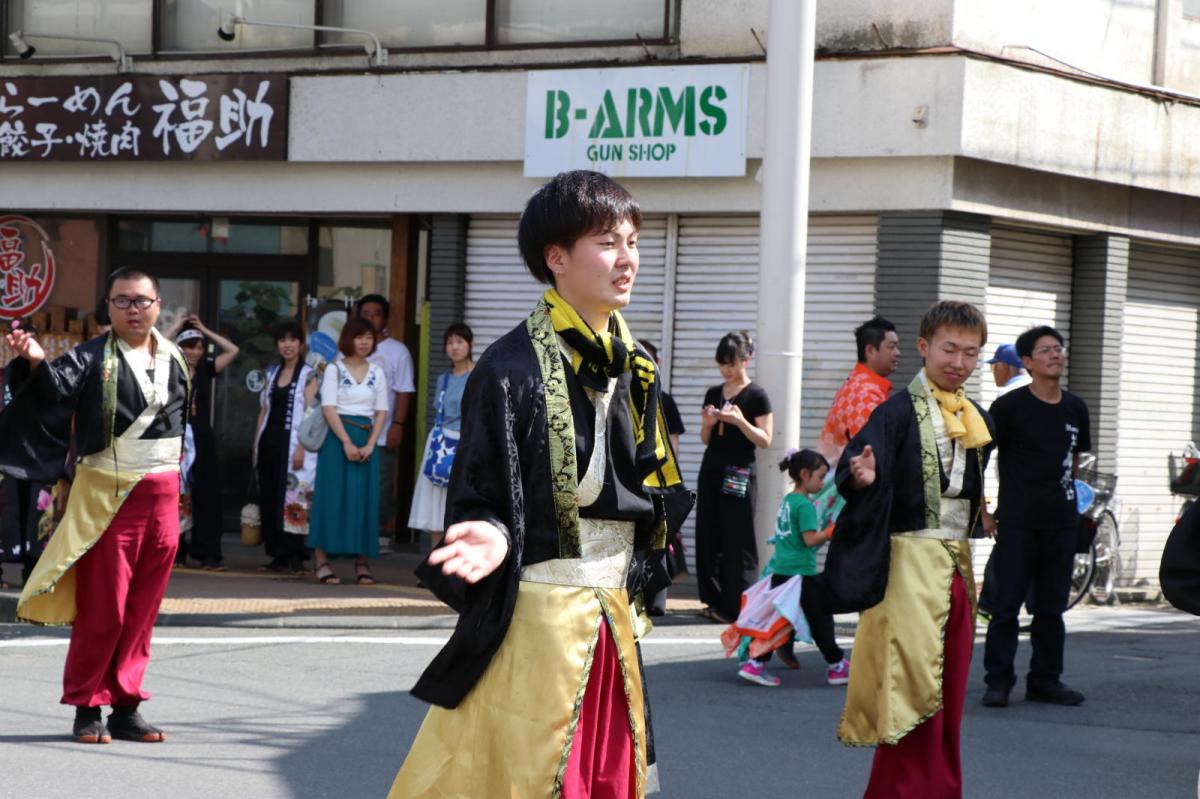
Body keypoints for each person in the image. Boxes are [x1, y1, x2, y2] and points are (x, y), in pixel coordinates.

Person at [390, 170, 689, 798]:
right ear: (556, 258)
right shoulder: (509, 367)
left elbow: (650, 491)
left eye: (633, 242)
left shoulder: (638, 367)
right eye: (607, 243)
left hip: (613, 616)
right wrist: (491, 532)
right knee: (531, 778)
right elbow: (482, 492)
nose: (628, 259)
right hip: (541, 622)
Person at [0, 266, 189, 744]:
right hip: (109, 498)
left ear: (158, 305)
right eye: (122, 300)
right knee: (104, 608)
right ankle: (87, 706)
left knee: (142, 610)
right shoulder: (89, 357)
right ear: (108, 306)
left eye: (141, 300)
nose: (132, 309)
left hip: (164, 497)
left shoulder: (175, 357)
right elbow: (54, 390)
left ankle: (126, 705)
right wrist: (36, 360)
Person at [824, 300, 994, 798]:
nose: (959, 362)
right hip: (907, 571)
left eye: (970, 353)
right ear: (924, 347)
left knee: (949, 694)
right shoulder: (895, 412)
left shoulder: (977, 418)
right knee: (912, 694)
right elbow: (854, 467)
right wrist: (863, 477)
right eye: (949, 349)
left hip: (957, 569)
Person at [981, 326, 1090, 708]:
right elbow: (980, 460)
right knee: (1005, 607)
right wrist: (984, 513)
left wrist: (1072, 507)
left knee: (1051, 608)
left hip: (1061, 522)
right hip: (1017, 522)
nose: (1055, 354)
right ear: (1026, 361)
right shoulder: (1008, 408)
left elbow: (1074, 462)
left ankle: (1045, 680)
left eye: (1058, 348)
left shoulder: (1076, 407)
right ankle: (998, 681)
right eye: (1045, 350)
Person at [730, 449, 850, 687]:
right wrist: (830, 532)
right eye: (820, 476)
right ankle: (836, 664)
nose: (823, 482)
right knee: (820, 620)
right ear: (805, 474)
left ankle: (756, 663)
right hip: (802, 575)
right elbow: (809, 540)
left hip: (783, 572)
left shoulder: (788, 501)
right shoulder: (805, 506)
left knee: (777, 621)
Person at [694, 331, 773, 624]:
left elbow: (765, 439)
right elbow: (706, 439)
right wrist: (708, 424)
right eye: (722, 364)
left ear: (746, 359)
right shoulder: (714, 393)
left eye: (732, 363)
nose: (726, 370)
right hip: (712, 469)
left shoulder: (757, 395)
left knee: (736, 537)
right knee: (709, 533)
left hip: (739, 471)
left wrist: (740, 422)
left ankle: (737, 605)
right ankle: (714, 601)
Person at [307, 317, 389, 585]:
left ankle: (362, 563)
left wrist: (371, 444)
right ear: (348, 339)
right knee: (330, 498)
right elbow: (329, 408)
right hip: (337, 439)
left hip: (366, 438)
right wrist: (346, 442)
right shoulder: (334, 369)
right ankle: (321, 561)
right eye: (359, 337)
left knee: (364, 500)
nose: (364, 342)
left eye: (368, 337)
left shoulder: (377, 371)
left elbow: (381, 411)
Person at [167, 314, 239, 570]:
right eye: (189, 347)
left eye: (198, 348)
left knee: (208, 495)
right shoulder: (171, 367)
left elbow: (233, 350)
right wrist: (177, 326)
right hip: (176, 438)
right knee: (178, 494)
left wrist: (205, 330)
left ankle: (208, 552)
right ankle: (177, 549)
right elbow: (155, 346)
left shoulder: (207, 369)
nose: (195, 352)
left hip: (202, 438)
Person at [253, 319, 318, 575]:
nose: (287, 345)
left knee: (293, 498)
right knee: (270, 497)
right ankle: (277, 554)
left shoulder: (309, 374)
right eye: (282, 340)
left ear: (301, 344)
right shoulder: (272, 373)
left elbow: (312, 414)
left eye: (292, 339)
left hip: (294, 445)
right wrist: (255, 445)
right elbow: (264, 409)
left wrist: (302, 447)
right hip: (269, 442)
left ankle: (295, 555)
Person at [408, 323, 475, 549]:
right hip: (440, 445)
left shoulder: (478, 375)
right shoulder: (443, 379)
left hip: (466, 444)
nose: (454, 347)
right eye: (450, 342)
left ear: (470, 344)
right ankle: (435, 559)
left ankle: (458, 559)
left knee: (461, 504)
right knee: (435, 506)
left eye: (460, 341)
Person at [355, 294, 416, 541]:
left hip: (382, 434)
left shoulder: (397, 351)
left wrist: (398, 425)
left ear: (386, 318)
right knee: (353, 487)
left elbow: (404, 390)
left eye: (377, 314)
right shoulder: (347, 349)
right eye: (366, 314)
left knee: (380, 487)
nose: (371, 318)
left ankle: (379, 534)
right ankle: (353, 537)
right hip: (350, 433)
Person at [638, 338, 685, 617]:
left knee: (659, 538)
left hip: (659, 480)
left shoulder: (664, 400)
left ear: (658, 363)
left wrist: (671, 479)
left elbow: (673, 442)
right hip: (635, 479)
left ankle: (656, 598)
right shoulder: (624, 392)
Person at [818, 316, 900, 466]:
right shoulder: (864, 393)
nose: (897, 353)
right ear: (870, 350)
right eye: (891, 347)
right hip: (846, 478)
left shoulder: (860, 385)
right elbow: (872, 451)